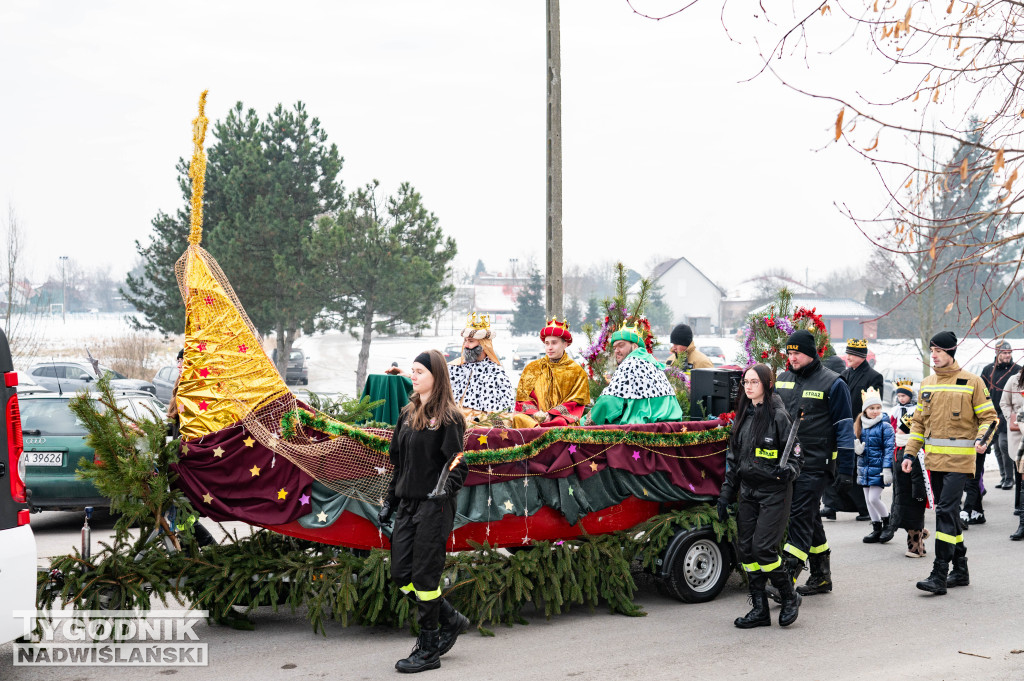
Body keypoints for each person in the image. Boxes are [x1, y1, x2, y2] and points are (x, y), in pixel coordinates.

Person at [378, 349, 470, 673]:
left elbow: (457, 462)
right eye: (412, 371)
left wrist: (439, 493)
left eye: (419, 371)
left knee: (425, 578)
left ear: (436, 376)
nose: (413, 376)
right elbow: (400, 464)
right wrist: (390, 501)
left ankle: (428, 649)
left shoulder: (449, 418)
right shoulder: (407, 414)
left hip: (435, 507)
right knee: (402, 575)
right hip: (407, 505)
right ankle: (450, 618)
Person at [901, 331, 998, 595]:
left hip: (960, 462)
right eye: (931, 351)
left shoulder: (972, 382)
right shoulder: (928, 384)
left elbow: (990, 418)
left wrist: (982, 440)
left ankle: (939, 573)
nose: (933, 356)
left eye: (938, 351)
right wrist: (910, 454)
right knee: (950, 515)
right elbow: (919, 423)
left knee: (944, 512)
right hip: (934, 462)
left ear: (950, 352)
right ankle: (961, 569)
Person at [717, 363, 803, 628]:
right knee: (745, 551)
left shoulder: (779, 416)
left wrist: (786, 471)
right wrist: (725, 495)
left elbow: (798, 459)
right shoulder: (743, 415)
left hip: (774, 493)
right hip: (748, 492)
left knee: (763, 549)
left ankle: (788, 597)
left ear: (767, 384)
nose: (749, 386)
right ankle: (760, 609)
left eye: (754, 382)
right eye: (745, 382)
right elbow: (734, 459)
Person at [771, 329, 855, 599]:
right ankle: (821, 576)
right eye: (789, 352)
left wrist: (846, 467)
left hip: (816, 465)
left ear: (810, 353)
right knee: (810, 518)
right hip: (786, 463)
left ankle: (783, 581)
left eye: (796, 353)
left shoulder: (834, 383)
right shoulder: (782, 379)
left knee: (799, 517)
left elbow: (844, 429)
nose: (791, 357)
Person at [822, 339, 881, 522]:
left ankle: (863, 508)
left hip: (860, 428)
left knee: (856, 469)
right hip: (842, 426)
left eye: (852, 354)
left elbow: (874, 406)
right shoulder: (845, 374)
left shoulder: (873, 377)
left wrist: (865, 426)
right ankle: (831, 505)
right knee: (834, 465)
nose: (848, 357)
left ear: (861, 356)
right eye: (847, 354)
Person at [586, 322, 683, 425]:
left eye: (621, 345)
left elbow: (609, 401)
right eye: (614, 348)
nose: (616, 351)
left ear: (635, 347)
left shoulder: (630, 363)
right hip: (671, 425)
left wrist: (590, 418)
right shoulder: (653, 364)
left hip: (640, 428)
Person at [513, 318, 591, 427]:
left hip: (561, 419)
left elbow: (577, 402)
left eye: (554, 343)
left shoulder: (577, 372)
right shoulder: (532, 368)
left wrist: (551, 414)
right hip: (533, 418)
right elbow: (523, 398)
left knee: (560, 424)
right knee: (519, 418)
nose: (549, 347)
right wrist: (536, 414)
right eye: (547, 343)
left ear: (565, 344)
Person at [445, 314, 516, 423]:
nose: (466, 345)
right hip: (452, 423)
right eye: (465, 341)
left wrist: (482, 421)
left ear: (484, 345)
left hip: (482, 427)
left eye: (470, 341)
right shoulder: (454, 367)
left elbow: (507, 410)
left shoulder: (496, 373)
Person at [890, 380, 928, 557]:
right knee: (907, 519)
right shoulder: (898, 448)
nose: (898, 431)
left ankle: (915, 547)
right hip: (903, 492)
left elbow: (919, 476)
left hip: (913, 494)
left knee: (913, 519)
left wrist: (920, 494)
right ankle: (920, 540)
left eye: (902, 430)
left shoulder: (913, 451)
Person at [854, 388, 896, 543]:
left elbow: (889, 449)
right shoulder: (860, 425)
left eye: (878, 408)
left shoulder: (885, 426)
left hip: (879, 469)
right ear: (865, 410)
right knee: (868, 501)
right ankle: (876, 528)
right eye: (872, 408)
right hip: (864, 468)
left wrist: (887, 469)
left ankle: (888, 523)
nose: (875, 411)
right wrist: (858, 451)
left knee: (873, 499)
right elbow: (859, 446)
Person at [980, 340, 1020, 490]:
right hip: (992, 414)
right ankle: (1003, 477)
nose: (1007, 355)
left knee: (1004, 445)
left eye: (1009, 353)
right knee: (996, 447)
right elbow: (981, 392)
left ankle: (1010, 478)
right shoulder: (988, 370)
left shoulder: (1017, 370)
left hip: (1010, 414)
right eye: (1004, 352)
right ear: (997, 353)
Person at [999, 364, 1024, 540]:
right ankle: (1023, 524)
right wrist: (1012, 420)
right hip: (1020, 437)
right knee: (1022, 479)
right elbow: (1004, 403)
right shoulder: (1014, 380)